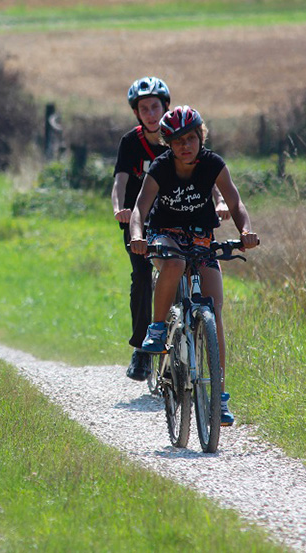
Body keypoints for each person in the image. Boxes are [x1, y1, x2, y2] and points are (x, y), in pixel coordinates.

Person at [129, 106, 259, 426]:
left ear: (201, 136)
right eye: (177, 141)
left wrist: (245, 231)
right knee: (172, 264)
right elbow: (139, 209)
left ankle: (219, 397)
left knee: (214, 310)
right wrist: (136, 236)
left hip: (201, 239)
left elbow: (235, 201)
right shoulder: (160, 168)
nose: (185, 146)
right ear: (168, 145)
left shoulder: (213, 164)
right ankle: (158, 328)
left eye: (191, 138)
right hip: (165, 237)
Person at [112, 77, 171, 382]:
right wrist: (118, 209)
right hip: (138, 219)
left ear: (166, 108)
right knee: (142, 276)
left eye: (155, 107)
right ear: (137, 113)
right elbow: (120, 181)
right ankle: (142, 350)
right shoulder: (130, 142)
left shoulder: (179, 137)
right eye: (144, 109)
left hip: (174, 217)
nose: (151, 114)